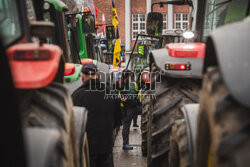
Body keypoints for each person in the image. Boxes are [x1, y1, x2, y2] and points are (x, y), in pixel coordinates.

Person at [72, 63, 121, 167]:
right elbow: (118, 120)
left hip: (86, 151)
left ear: (82, 76)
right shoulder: (110, 93)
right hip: (106, 148)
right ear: (97, 75)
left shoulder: (76, 95)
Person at [120, 70, 141, 150]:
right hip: (126, 108)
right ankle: (125, 144)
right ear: (128, 76)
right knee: (126, 126)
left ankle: (126, 144)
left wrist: (138, 102)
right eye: (130, 75)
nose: (132, 77)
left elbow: (136, 94)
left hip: (134, 106)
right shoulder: (121, 85)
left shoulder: (133, 84)